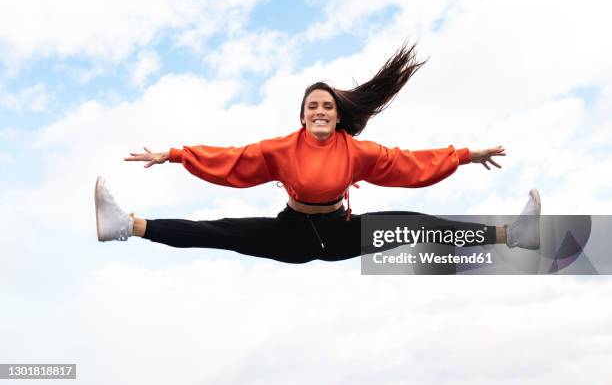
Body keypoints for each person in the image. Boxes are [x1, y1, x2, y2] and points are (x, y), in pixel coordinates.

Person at [94, 43, 541, 263]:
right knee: (221, 231)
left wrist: (464, 154)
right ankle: (126, 226)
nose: (321, 111)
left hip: (341, 232)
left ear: (337, 114)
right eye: (314, 106)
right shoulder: (281, 149)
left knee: (416, 226)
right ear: (303, 116)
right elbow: (230, 160)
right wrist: (173, 154)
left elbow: (409, 164)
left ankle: (512, 235)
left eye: (328, 105)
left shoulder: (357, 151)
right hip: (291, 235)